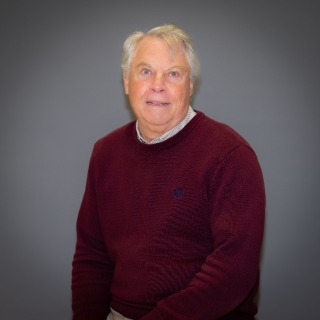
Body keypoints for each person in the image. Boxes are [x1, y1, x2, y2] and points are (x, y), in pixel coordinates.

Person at [71, 24, 265, 320]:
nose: (158, 85)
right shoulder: (105, 153)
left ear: (190, 85)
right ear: (126, 81)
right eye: (145, 71)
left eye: (173, 73)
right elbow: (91, 257)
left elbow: (234, 270)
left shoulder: (230, 156)